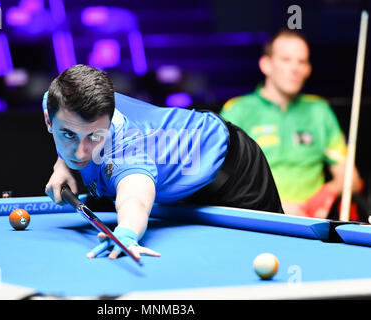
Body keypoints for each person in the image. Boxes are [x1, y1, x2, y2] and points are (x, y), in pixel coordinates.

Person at [43, 64, 283, 261]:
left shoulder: (129, 152)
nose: (82, 152)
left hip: (235, 169)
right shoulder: (60, 100)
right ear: (49, 120)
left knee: (275, 248)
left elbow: (134, 198)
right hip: (180, 175)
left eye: (95, 136)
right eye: (69, 135)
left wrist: (126, 233)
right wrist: (62, 165)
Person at [220, 30, 364, 219]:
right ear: (266, 65)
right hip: (256, 220)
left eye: (301, 61)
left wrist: (326, 194)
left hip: (312, 223)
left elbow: (352, 180)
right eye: (286, 59)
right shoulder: (237, 110)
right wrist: (273, 206)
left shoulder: (319, 111)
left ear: (308, 69)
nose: (294, 68)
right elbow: (219, 179)